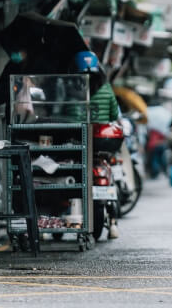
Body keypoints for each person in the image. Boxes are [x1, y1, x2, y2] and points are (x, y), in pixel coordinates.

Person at [74, 51, 121, 239]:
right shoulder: (106, 88)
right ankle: (114, 222)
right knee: (113, 170)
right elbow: (113, 114)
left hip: (77, 140)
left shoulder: (71, 88)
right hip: (102, 142)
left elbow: (67, 114)